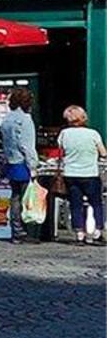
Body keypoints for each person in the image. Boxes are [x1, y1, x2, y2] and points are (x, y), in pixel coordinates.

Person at [56, 104, 103, 245]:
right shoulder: (93, 133)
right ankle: (97, 233)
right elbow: (104, 153)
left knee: (75, 204)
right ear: (83, 117)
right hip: (90, 173)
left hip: (71, 174)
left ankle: (79, 234)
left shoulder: (64, 134)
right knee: (96, 204)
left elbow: (61, 151)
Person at [0, 87, 39, 246]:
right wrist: (33, 165)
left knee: (15, 197)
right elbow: (27, 145)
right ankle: (26, 231)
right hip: (22, 163)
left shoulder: (7, 119)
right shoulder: (26, 120)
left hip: (11, 162)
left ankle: (16, 231)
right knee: (26, 198)